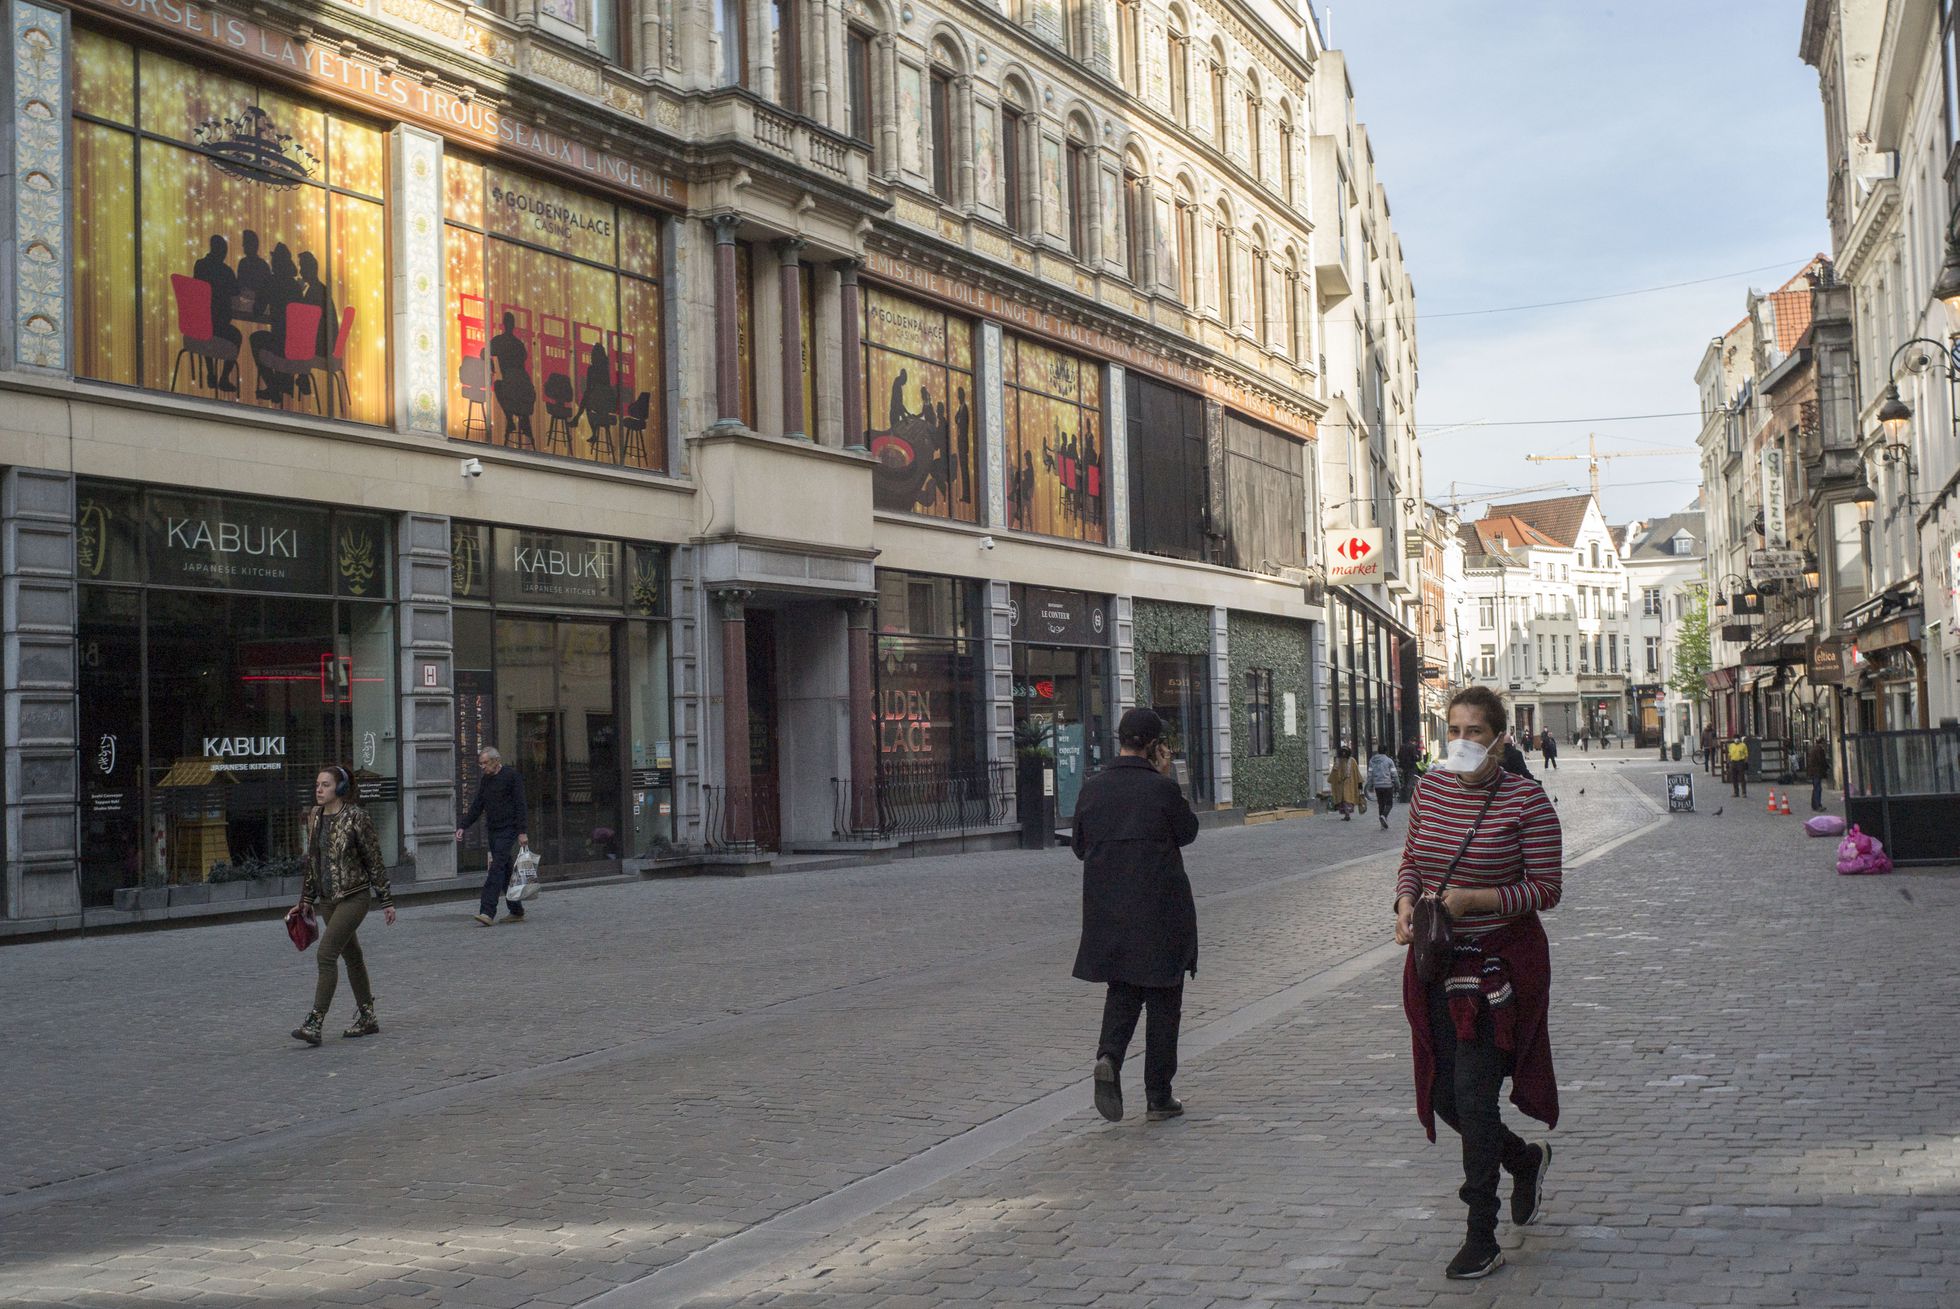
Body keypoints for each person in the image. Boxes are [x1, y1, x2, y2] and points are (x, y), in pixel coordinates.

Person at [1394, 687, 1561, 1280]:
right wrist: (1406, 903)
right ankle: (1522, 1160)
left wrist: (1479, 899)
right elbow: (1414, 858)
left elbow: (1546, 888)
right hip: (1439, 963)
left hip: (1499, 970)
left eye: (1475, 732)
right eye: (1455, 730)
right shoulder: (1430, 788)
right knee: (1445, 1095)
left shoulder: (1527, 802)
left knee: (1473, 1092)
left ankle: (1480, 1232)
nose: (1462, 743)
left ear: (1500, 738)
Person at [1073, 707, 1200, 1124]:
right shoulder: (1160, 790)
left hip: (1110, 912)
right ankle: (1158, 1096)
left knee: (1123, 990)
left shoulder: (1092, 789)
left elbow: (1078, 846)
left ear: (1121, 738)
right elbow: (1188, 832)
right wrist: (1168, 779)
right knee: (1164, 1000)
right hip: (1160, 910)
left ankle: (1109, 1056)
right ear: (1153, 745)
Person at [292, 765, 395, 1045]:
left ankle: (315, 1022)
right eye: (317, 784)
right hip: (327, 900)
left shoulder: (356, 817)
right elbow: (314, 862)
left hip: (354, 896)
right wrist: (306, 900)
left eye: (325, 785)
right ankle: (367, 1016)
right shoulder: (315, 818)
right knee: (352, 956)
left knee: (326, 954)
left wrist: (386, 899)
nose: (319, 789)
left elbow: (374, 859)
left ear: (339, 788)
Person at [456, 746, 530, 925]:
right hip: (494, 830)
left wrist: (522, 831)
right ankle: (516, 910)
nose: (482, 767)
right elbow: (478, 805)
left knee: (496, 869)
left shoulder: (511, 776)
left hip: (509, 829)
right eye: (480, 763)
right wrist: (463, 826)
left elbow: (521, 804)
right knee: (504, 872)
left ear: (496, 761)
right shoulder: (486, 780)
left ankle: (487, 911)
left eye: (485, 763)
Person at [191, 235, 241, 392]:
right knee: (236, 336)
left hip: (199, 324)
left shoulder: (200, 265)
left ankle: (211, 373)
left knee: (207, 329)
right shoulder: (225, 271)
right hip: (218, 324)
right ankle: (224, 377)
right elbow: (236, 291)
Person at [488, 312, 538, 445]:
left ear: (503, 324)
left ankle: (510, 418)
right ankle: (523, 420)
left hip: (511, 382)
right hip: (525, 384)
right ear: (513, 325)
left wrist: (491, 365)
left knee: (498, 386)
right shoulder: (518, 344)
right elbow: (524, 358)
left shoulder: (499, 341)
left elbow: (483, 353)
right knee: (518, 396)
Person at [1327, 745, 1365, 820]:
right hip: (1340, 784)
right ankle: (1347, 814)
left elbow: (1356, 773)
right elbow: (1334, 773)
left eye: (1345, 752)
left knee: (1347, 799)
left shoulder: (1352, 761)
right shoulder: (1338, 761)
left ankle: (1347, 814)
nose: (1344, 753)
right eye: (1343, 752)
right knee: (1344, 799)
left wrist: (1359, 783)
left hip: (1350, 784)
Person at [1367, 744, 1400, 829]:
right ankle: (1384, 816)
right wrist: (1397, 784)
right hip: (1387, 785)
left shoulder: (1372, 760)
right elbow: (1394, 774)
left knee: (1381, 804)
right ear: (1386, 751)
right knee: (1389, 804)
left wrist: (1370, 785)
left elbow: (1370, 774)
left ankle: (1382, 824)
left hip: (1377, 786)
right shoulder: (1389, 761)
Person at [1807, 736, 1830, 811]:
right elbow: (1821, 761)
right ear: (1822, 742)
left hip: (1814, 772)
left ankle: (1814, 805)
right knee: (1818, 788)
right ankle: (1817, 805)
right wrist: (1827, 767)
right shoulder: (1819, 750)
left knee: (1816, 788)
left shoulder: (1814, 749)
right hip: (1817, 772)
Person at [1398, 737, 1423, 802]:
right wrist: (1417, 757)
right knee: (1410, 782)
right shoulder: (1412, 747)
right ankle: (1408, 798)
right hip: (1411, 767)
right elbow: (1415, 757)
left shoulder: (1402, 746)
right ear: (1413, 742)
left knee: (1404, 782)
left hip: (1403, 767)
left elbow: (1398, 756)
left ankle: (1403, 798)